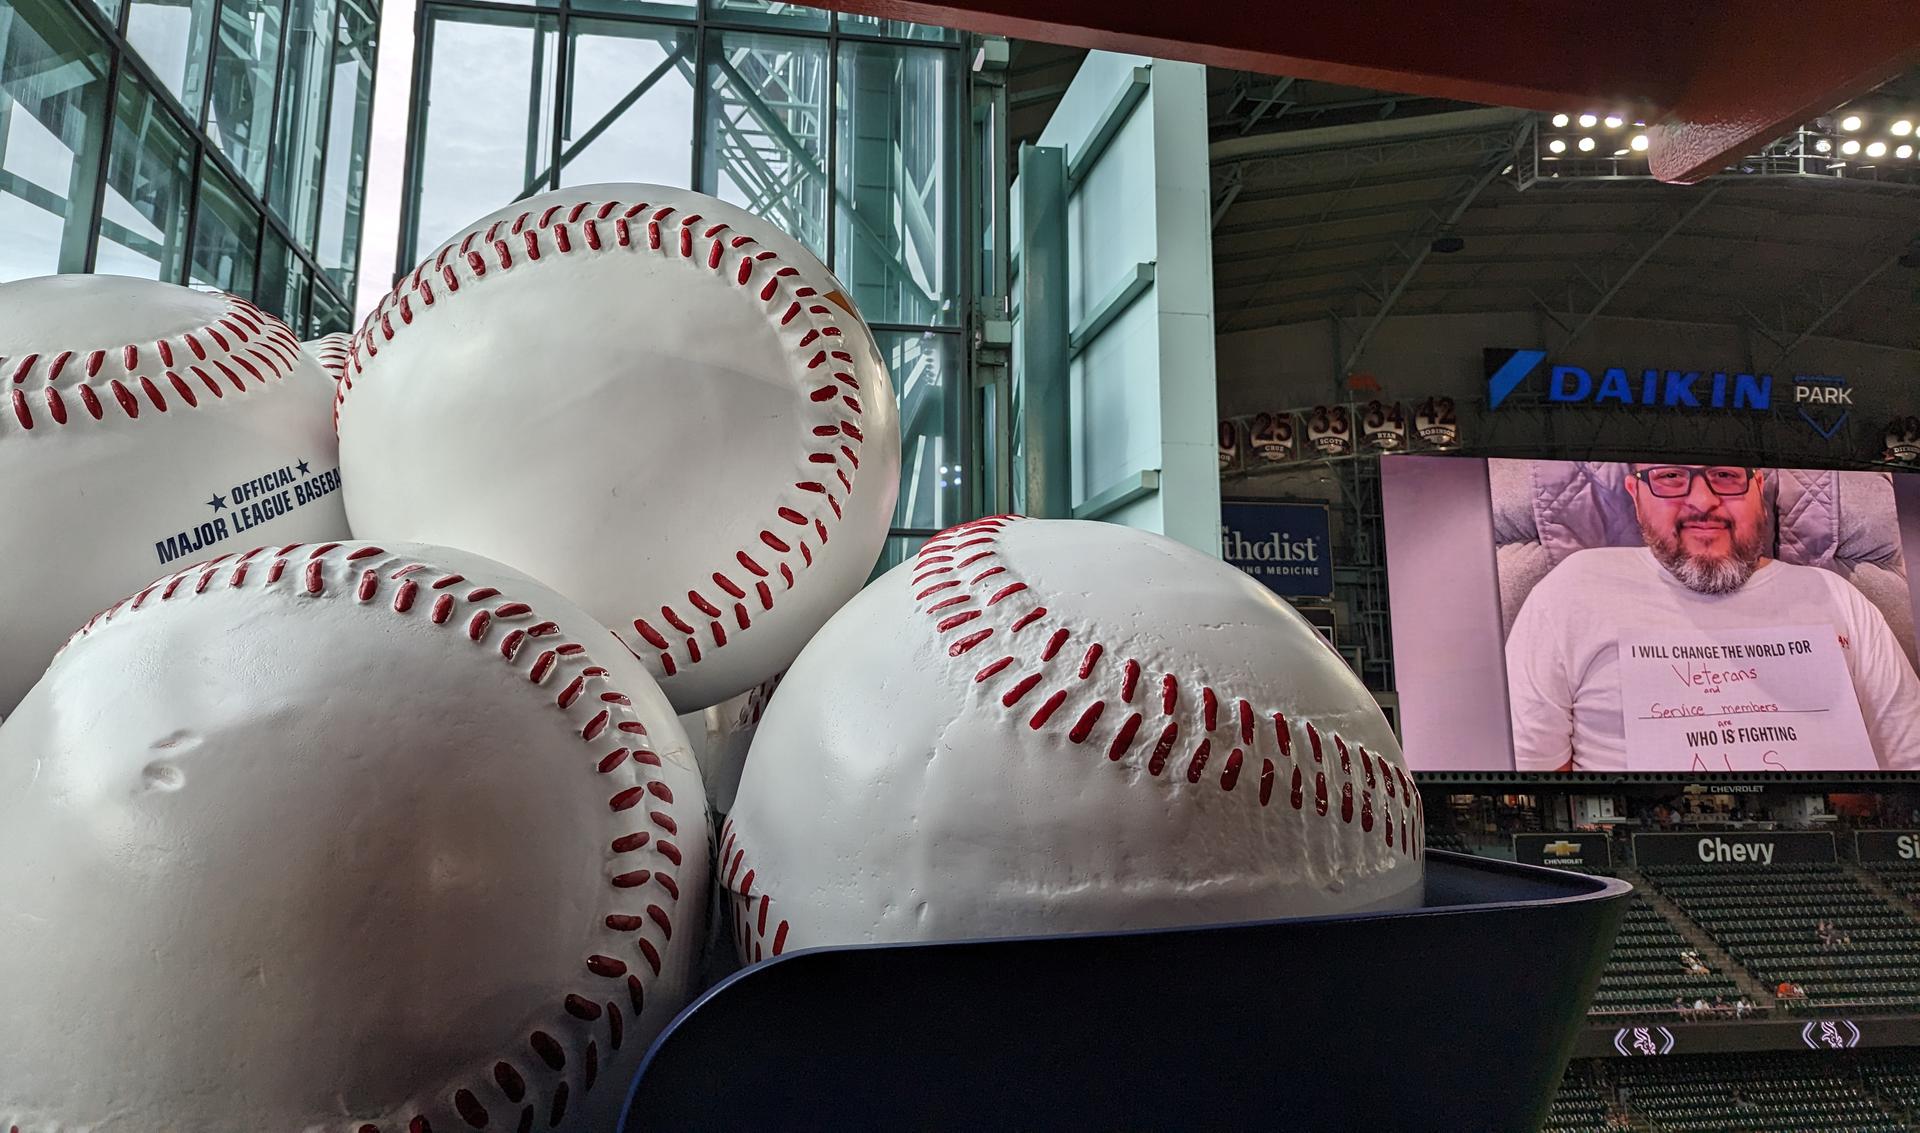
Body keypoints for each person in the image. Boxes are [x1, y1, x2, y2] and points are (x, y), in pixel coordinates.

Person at [1506, 464, 1920, 771]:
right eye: (1670, 477)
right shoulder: (1575, 589)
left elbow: (1906, 756)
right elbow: (1533, 769)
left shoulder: (1836, 596)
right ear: (1635, 494)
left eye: (1726, 475)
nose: (1703, 502)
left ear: (1759, 487)